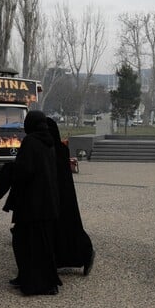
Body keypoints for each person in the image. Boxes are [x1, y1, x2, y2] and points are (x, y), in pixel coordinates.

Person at [7, 111, 62, 296]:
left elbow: (25, 171)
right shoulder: (49, 142)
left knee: (26, 243)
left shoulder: (30, 142)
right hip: (48, 203)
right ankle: (38, 279)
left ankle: (35, 283)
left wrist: (11, 171)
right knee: (42, 245)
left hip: (31, 203)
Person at [46, 117, 95, 274]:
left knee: (68, 228)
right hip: (62, 194)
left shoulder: (54, 149)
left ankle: (85, 254)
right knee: (64, 228)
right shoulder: (59, 148)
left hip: (59, 194)